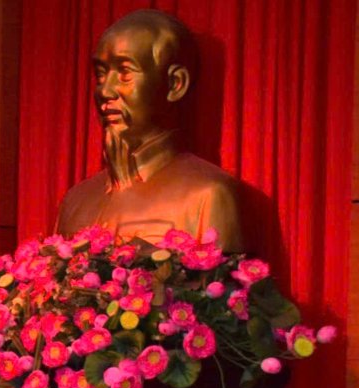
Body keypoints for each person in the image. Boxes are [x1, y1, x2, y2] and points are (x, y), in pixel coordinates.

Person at [55, 9, 248, 253]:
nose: (105, 90)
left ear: (175, 84)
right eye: (101, 75)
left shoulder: (209, 195)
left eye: (125, 73)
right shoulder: (75, 201)